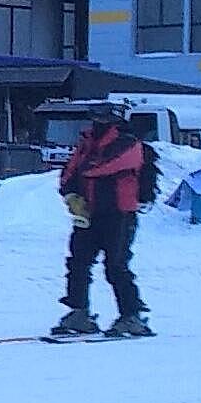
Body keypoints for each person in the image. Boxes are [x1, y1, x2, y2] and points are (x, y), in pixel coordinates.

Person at [50, 106, 154, 338]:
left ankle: (132, 316)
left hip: (119, 214)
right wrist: (70, 194)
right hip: (88, 213)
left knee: (116, 266)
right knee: (78, 263)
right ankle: (79, 312)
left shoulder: (128, 142)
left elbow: (102, 167)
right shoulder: (87, 142)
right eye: (95, 118)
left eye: (102, 118)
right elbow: (69, 172)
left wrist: (80, 176)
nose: (97, 122)